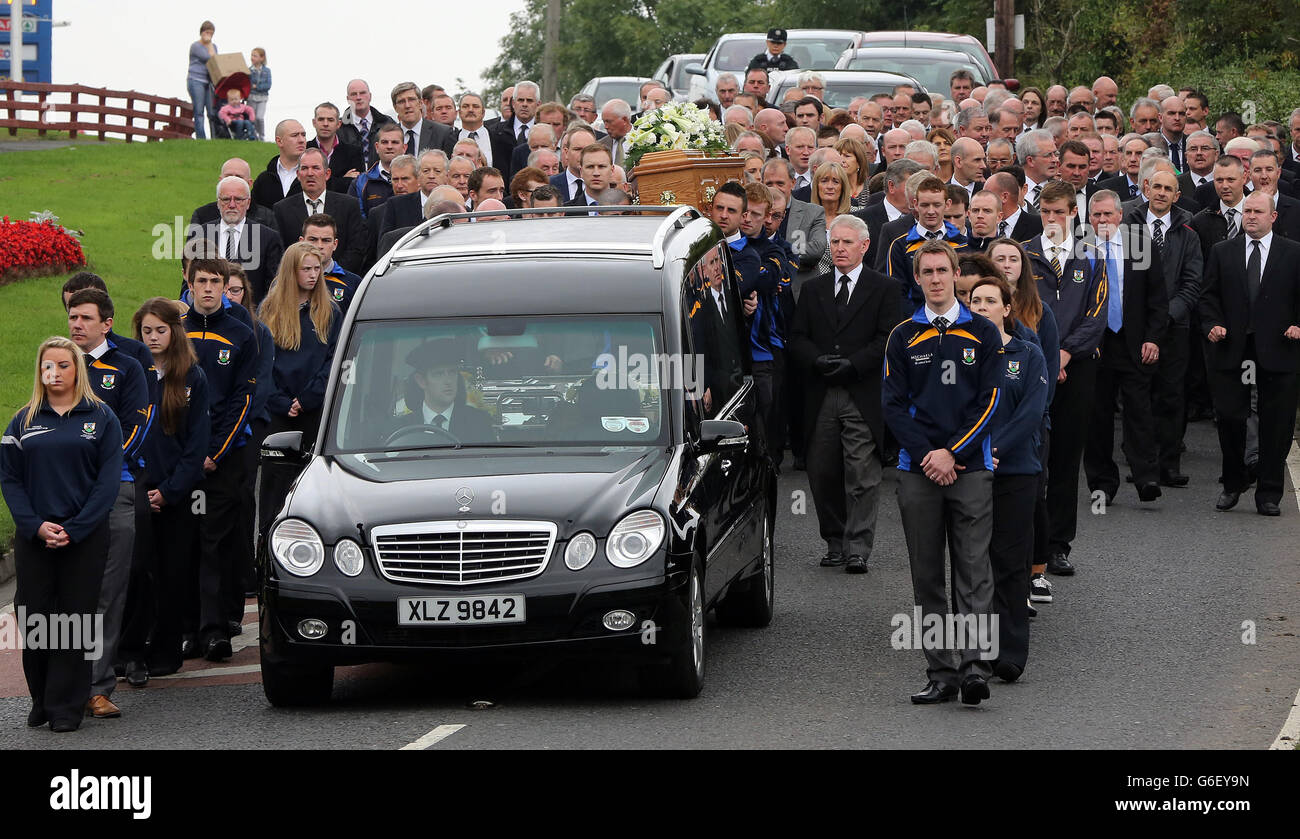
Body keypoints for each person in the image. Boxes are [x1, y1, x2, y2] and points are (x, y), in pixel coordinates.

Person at [883, 241, 1002, 706]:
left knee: (974, 571)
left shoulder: (984, 334)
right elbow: (892, 405)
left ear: (956, 274)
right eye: (926, 272)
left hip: (970, 468)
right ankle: (941, 672)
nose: (935, 279)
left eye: (942, 270)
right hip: (917, 470)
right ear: (917, 279)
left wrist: (953, 452)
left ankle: (975, 668)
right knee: (927, 574)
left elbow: (990, 401)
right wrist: (930, 455)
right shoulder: (901, 336)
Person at [1, 337, 122, 732]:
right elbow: (10, 479)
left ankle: (67, 707)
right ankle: (42, 699)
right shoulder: (22, 421)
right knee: (35, 618)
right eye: (47, 365)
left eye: (63, 365)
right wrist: (35, 526)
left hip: (84, 537)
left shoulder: (102, 418)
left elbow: (107, 484)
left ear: (77, 370)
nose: (54, 372)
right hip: (36, 537)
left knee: (74, 619)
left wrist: (76, 528)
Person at [789, 214, 896, 573]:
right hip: (821, 392)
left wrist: (854, 364)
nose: (839, 248)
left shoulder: (884, 288)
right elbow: (797, 338)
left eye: (847, 242)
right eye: (835, 242)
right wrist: (817, 360)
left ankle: (858, 548)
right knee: (822, 471)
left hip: (861, 392)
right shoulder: (814, 289)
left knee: (862, 472)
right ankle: (835, 540)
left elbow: (888, 338)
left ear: (864, 246)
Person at [65, 289, 150, 720]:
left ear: (107, 323)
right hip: (64, 496)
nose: (76, 324)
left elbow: (139, 424)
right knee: (65, 596)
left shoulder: (128, 367)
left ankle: (98, 687)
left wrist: (100, 472)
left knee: (108, 593)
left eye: (84, 318)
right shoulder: (57, 365)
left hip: (115, 491)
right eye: (71, 317)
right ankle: (59, 688)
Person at [966, 269, 1047, 681]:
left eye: (989, 301)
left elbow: (1031, 413)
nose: (981, 307)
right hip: (968, 472)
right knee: (974, 564)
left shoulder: (1028, 354)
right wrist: (972, 451)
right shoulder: (959, 353)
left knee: (1011, 563)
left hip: (1015, 472)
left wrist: (993, 450)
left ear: (1007, 308)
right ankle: (975, 650)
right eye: (975, 301)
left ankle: (1010, 651)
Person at [1200, 190, 1300, 515]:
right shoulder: (1222, 251)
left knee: (1277, 422)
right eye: (1247, 212)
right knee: (1230, 418)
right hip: (1232, 349)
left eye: (1258, 212)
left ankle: (1269, 493)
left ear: (1273, 217)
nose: (1251, 217)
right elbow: (1208, 294)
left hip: (1279, 349)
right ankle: (1233, 482)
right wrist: (1213, 323)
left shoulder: (1293, 253)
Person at [1026, 181, 1106, 576]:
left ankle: (1058, 545)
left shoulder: (1091, 255)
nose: (1052, 219)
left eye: (1060, 212)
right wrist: (1044, 353)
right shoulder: (1024, 254)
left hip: (1077, 367)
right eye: (1046, 211)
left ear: (1075, 213)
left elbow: (1097, 315)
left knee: (1065, 458)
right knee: (1029, 456)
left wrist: (1065, 351)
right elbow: (1016, 310)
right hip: (1030, 366)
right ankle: (1027, 541)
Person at [128, 298, 209, 683]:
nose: (154, 337)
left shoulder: (193, 377)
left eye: (161, 330)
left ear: (175, 332)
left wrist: (172, 490)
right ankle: (132, 652)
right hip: (136, 491)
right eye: (147, 331)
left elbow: (196, 446)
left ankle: (166, 650)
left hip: (175, 494)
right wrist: (139, 490)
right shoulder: (132, 374)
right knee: (139, 573)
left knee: (174, 572)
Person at [182, 256, 258, 661]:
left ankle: (215, 629)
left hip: (223, 456)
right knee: (184, 543)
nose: (209, 288)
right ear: (189, 284)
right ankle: (187, 627)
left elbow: (242, 399)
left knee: (217, 540)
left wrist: (215, 452)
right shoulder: (177, 332)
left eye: (216, 281)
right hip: (182, 458)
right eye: (202, 281)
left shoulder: (241, 332)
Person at [1084, 190, 1168, 505]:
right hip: (1095, 344)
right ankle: (1102, 483)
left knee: (1139, 411)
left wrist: (1153, 338)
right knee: (1097, 416)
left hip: (1134, 341)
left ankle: (1146, 476)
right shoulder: (1082, 248)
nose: (1103, 220)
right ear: (1089, 218)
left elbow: (1158, 298)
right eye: (1096, 215)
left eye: (1108, 214)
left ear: (1120, 215)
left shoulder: (1140, 244)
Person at [273, 147, 368, 273]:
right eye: (304, 168)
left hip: (339, 282)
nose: (310, 173)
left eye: (316, 168)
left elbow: (356, 249)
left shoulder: (349, 205)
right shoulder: (282, 209)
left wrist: (332, 273)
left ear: (327, 174)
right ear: (298, 174)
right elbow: (281, 251)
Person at [193, 174, 284, 305]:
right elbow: (190, 280)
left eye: (238, 200)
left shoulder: (268, 238)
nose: (231, 205)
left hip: (250, 318)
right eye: (226, 199)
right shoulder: (201, 234)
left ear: (248, 203)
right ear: (218, 203)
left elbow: (272, 287)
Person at [391, 339, 495, 444]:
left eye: (452, 372)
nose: (448, 381)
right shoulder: (401, 429)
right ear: (421, 381)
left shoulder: (478, 422)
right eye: (438, 374)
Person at [308, 102, 365, 195]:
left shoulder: (353, 152)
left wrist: (318, 181)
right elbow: (301, 185)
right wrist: (343, 180)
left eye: (330, 120)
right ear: (314, 123)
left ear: (338, 124)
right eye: (321, 119)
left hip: (342, 207)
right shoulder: (305, 150)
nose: (325, 124)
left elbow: (356, 186)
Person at [186, 21, 217, 140]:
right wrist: (209, 45)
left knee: (211, 112)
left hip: (208, 82)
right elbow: (209, 57)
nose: (209, 35)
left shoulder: (214, 47)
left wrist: (210, 45)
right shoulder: (196, 46)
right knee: (199, 111)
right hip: (196, 80)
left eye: (211, 33)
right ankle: (201, 138)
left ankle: (215, 137)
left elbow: (216, 61)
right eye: (207, 32)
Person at [247, 47, 271, 141]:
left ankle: (261, 136)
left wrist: (256, 87)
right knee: (252, 118)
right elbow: (247, 84)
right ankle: (254, 136)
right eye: (252, 55)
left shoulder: (267, 71)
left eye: (255, 56)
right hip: (251, 97)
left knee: (259, 117)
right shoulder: (249, 71)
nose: (252, 58)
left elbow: (268, 85)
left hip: (262, 98)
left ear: (262, 58)